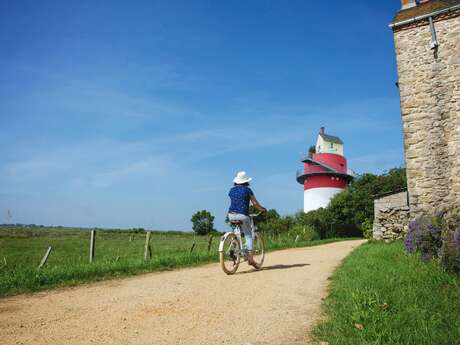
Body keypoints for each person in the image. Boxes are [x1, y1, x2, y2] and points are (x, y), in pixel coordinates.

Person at [227, 171, 266, 267]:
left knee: (237, 231)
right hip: (243, 215)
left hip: (231, 215)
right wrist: (263, 209)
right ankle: (250, 259)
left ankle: (235, 245)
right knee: (248, 235)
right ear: (246, 181)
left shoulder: (231, 190)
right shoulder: (247, 190)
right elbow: (255, 204)